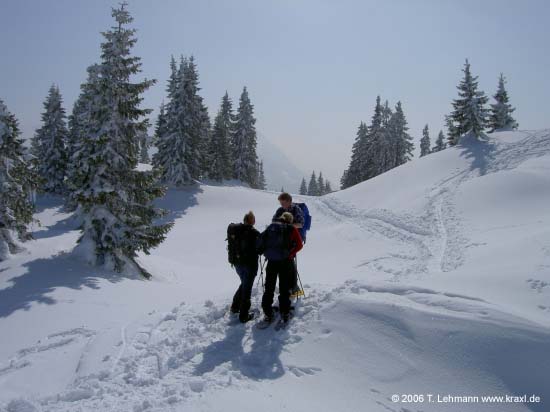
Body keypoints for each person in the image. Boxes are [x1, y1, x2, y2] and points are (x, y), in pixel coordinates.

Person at [258, 212, 303, 323]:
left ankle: (268, 312)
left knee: (269, 287)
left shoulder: (271, 227)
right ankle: (285, 312)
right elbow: (299, 245)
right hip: (285, 262)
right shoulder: (291, 229)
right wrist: (290, 254)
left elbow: (260, 241)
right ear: (290, 220)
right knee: (284, 288)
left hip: (271, 262)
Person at [230, 211, 260, 323]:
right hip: (250, 265)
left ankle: (235, 307)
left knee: (244, 285)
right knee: (247, 289)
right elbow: (261, 248)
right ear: (252, 221)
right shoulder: (255, 233)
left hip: (238, 264)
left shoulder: (237, 230)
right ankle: (243, 316)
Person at [272, 192, 304, 296]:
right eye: (280, 203)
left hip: (292, 241)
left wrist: (288, 226)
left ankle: (294, 288)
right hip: (280, 242)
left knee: (290, 263)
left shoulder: (296, 209)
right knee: (283, 263)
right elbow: (273, 222)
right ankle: (288, 287)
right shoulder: (280, 210)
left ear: (289, 201)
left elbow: (301, 224)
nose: (281, 205)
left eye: (283, 203)